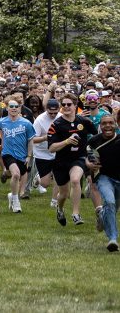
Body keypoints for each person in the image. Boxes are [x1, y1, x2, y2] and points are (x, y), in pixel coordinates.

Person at [48, 94, 95, 226]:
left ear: (75, 105)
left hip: (79, 158)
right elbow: (51, 148)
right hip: (61, 161)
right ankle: (60, 209)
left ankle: (75, 214)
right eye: (64, 105)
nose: (66, 107)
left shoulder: (84, 121)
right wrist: (67, 141)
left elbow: (96, 137)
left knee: (75, 180)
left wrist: (91, 151)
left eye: (69, 104)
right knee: (63, 194)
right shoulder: (56, 125)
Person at [0, 99, 36, 213]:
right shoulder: (1, 122)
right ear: (7, 108)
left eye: (16, 106)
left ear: (19, 108)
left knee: (16, 174)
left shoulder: (26, 123)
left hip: (22, 155)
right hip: (7, 153)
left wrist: (28, 156)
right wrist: (0, 143)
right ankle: (16, 201)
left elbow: (31, 140)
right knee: (16, 174)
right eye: (11, 106)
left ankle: (11, 196)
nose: (13, 108)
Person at [88, 115, 120, 251]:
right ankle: (113, 239)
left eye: (110, 123)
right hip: (103, 177)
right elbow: (88, 158)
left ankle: (101, 214)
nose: (108, 126)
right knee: (110, 202)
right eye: (104, 123)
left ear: (115, 125)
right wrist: (89, 164)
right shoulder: (94, 141)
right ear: (100, 126)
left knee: (113, 208)